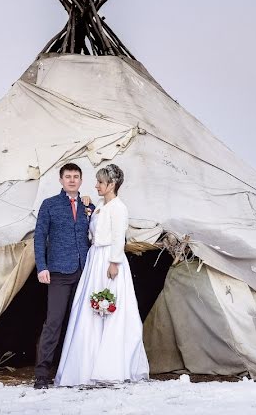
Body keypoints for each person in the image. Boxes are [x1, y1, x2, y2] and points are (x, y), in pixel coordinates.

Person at [55, 164, 149, 386]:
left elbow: (119, 237)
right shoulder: (99, 205)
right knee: (89, 309)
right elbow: (92, 228)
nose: (96, 185)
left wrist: (114, 262)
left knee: (108, 308)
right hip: (94, 258)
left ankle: (110, 366)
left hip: (108, 259)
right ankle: (87, 364)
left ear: (112, 185)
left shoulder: (119, 208)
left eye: (100, 182)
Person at [32, 162, 95, 390]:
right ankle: (41, 373)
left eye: (75, 176)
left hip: (84, 271)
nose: (71, 180)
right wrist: (42, 267)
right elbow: (40, 237)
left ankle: (77, 371)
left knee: (82, 322)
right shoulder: (49, 205)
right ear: (60, 180)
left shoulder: (89, 205)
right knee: (54, 322)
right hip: (58, 271)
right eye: (67, 176)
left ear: (81, 180)